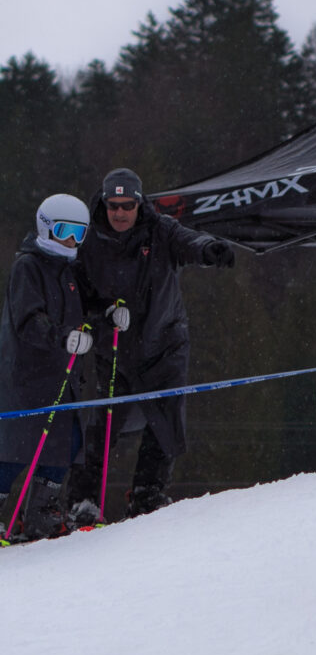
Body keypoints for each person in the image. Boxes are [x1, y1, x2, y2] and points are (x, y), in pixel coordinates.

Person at [66, 167, 235, 522]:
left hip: (163, 343)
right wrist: (100, 317)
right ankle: (83, 500)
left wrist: (209, 249)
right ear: (104, 204)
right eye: (114, 206)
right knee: (102, 426)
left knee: (166, 421)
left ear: (139, 204)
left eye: (127, 206)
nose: (120, 213)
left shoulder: (160, 229)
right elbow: (79, 292)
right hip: (115, 346)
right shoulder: (90, 239)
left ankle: (147, 492)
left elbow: (189, 241)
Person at [0, 194, 93, 541]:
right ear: (46, 227)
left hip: (62, 375)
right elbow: (28, 319)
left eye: (78, 234)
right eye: (64, 231)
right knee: (15, 446)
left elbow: (88, 307)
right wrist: (62, 337)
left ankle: (41, 511)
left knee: (65, 441)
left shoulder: (70, 270)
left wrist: (110, 314)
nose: (70, 241)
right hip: (26, 374)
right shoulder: (29, 266)